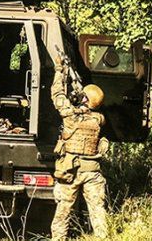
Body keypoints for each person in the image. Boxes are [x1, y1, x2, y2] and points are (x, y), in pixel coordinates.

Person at [50, 58, 109, 239]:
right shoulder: (98, 119)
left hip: (71, 171)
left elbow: (57, 94)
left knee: (63, 213)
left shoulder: (71, 116)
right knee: (98, 211)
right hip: (92, 171)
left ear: (84, 99)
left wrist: (59, 70)